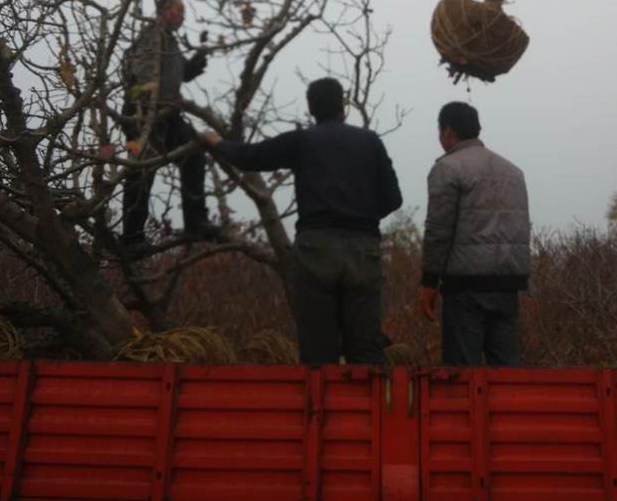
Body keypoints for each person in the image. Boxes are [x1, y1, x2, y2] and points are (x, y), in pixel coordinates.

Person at [203, 77, 403, 365]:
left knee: (318, 352)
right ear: (342, 106)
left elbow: (249, 157)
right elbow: (393, 199)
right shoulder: (370, 142)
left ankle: (321, 406)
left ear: (311, 109)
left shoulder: (303, 141)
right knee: (366, 349)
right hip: (363, 250)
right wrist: (363, 219)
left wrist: (216, 143)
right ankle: (368, 408)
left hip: (316, 249)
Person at [419, 101, 530, 366]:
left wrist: (429, 282)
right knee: (507, 377)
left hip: (465, 288)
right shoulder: (513, 172)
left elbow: (438, 230)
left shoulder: (447, 168)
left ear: (447, 131)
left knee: (462, 378)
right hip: (508, 284)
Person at [121, 0, 220, 250]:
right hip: (145, 113)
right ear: (164, 11)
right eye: (179, 10)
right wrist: (145, 107)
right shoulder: (153, 35)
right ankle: (131, 238)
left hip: (169, 113)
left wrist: (195, 65)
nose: (183, 16)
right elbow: (139, 71)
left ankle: (196, 222)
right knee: (141, 171)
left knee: (194, 154)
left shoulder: (171, 41)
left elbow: (178, 74)